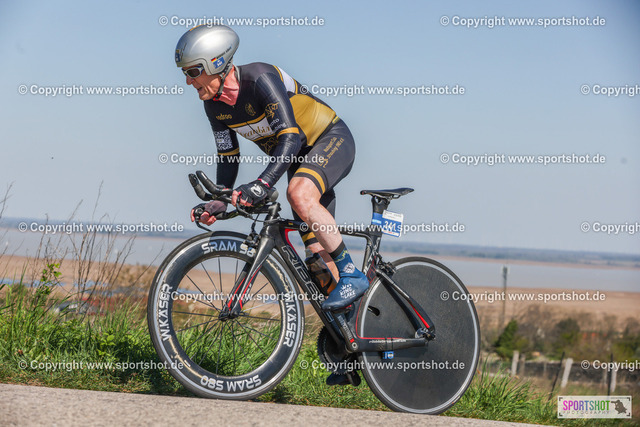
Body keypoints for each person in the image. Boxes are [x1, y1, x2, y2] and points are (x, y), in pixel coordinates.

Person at [175, 24, 367, 312]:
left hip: (330, 139)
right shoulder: (214, 106)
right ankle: (354, 326)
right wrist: (220, 198)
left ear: (216, 63)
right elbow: (227, 155)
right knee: (317, 260)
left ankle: (353, 274)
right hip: (296, 160)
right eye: (185, 73)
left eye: (193, 71)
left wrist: (262, 184)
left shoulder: (259, 79)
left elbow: (290, 137)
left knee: (298, 194)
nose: (189, 81)